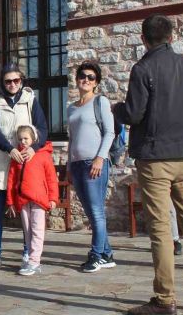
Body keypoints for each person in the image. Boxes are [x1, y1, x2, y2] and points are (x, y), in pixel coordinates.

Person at [113, 14, 183, 315]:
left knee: (162, 228)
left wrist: (118, 109)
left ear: (143, 39)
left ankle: (165, 300)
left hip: (155, 159)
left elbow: (135, 114)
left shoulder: (143, 68)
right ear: (172, 37)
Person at [0, 63, 48, 272]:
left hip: (24, 168)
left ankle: (27, 251)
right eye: (8, 81)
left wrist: (34, 148)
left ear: (21, 81)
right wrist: (8, 148)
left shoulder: (30, 101)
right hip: (1, 165)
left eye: (16, 80)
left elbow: (42, 129)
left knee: (26, 214)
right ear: (3, 83)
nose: (12, 84)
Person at [67, 61, 116, 273]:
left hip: (94, 163)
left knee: (96, 212)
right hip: (77, 164)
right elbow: (72, 138)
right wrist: (69, 163)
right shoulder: (71, 108)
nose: (86, 80)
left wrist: (100, 158)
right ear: (77, 79)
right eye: (82, 76)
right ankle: (107, 254)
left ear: (96, 83)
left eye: (91, 77)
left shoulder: (100, 102)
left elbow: (110, 132)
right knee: (90, 212)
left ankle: (96, 255)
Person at [5, 125, 58, 276]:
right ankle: (30, 257)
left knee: (37, 230)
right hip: (22, 200)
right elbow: (11, 180)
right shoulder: (17, 158)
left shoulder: (43, 155)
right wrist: (10, 201)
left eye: (26, 138)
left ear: (33, 139)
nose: (23, 142)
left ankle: (35, 261)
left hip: (39, 200)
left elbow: (51, 178)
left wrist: (53, 198)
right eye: (20, 139)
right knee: (28, 231)